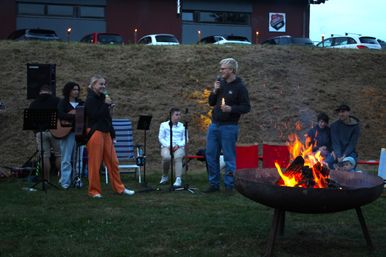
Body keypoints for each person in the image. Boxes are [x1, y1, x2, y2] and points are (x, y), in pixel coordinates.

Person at [205, 57, 251, 193]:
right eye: (221, 69)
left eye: (223, 69)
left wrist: (231, 109)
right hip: (214, 125)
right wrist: (214, 90)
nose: (221, 71)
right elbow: (211, 103)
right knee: (210, 155)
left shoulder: (240, 87)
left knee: (229, 157)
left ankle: (229, 185)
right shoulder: (220, 84)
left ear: (231, 70)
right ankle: (214, 184)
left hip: (229, 127)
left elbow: (246, 107)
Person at [85, 74, 135, 198]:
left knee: (113, 162)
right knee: (95, 163)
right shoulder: (90, 99)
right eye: (100, 84)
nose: (103, 86)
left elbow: (107, 118)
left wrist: (113, 134)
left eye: (104, 84)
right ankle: (94, 191)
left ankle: (119, 188)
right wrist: (105, 105)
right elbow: (95, 115)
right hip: (95, 132)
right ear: (93, 85)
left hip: (106, 132)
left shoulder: (103, 98)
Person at [29, 84, 61, 182]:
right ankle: (62, 178)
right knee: (59, 155)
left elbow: (31, 121)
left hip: (40, 132)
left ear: (40, 92)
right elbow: (62, 115)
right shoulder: (57, 101)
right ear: (50, 92)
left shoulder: (33, 103)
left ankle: (46, 179)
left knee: (44, 156)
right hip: (55, 132)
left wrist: (36, 132)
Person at [57, 82, 83, 189]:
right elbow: (60, 114)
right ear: (68, 91)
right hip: (67, 133)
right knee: (66, 157)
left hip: (80, 133)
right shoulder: (63, 102)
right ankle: (65, 181)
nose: (76, 92)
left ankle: (76, 179)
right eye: (74, 89)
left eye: (77, 89)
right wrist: (73, 115)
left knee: (79, 158)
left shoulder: (81, 103)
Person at [158, 108, 186, 187]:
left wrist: (178, 145)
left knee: (178, 157)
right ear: (171, 115)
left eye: (179, 115)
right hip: (166, 146)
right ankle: (165, 176)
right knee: (166, 157)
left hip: (179, 146)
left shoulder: (182, 126)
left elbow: (186, 138)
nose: (178, 116)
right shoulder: (163, 125)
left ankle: (178, 179)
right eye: (176, 115)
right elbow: (161, 137)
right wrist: (168, 145)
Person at [328, 104, 360, 169]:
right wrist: (339, 155)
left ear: (348, 112)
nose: (340, 114)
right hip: (336, 151)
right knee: (327, 163)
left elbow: (352, 144)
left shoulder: (355, 127)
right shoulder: (334, 126)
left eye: (343, 112)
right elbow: (335, 142)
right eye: (339, 112)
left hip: (349, 152)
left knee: (349, 165)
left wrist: (344, 155)